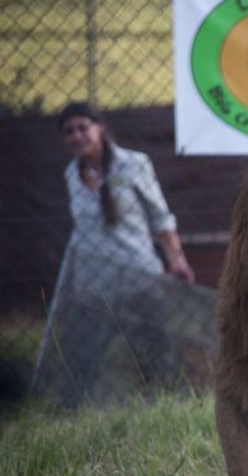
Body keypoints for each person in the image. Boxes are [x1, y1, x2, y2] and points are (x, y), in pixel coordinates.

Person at [31, 102, 195, 406]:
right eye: (69, 132)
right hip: (94, 286)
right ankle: (71, 416)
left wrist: (176, 259)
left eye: (83, 127)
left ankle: (172, 407)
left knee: (158, 354)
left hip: (139, 277)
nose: (77, 136)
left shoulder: (134, 164)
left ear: (99, 127)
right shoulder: (71, 175)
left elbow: (159, 218)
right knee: (80, 359)